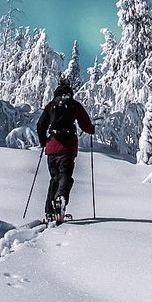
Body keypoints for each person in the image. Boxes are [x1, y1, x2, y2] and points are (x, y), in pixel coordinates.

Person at [37, 77, 95, 223]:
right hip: (68, 147)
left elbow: (40, 125)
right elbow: (85, 124)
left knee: (54, 178)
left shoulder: (51, 105)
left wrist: (44, 141)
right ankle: (60, 199)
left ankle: (50, 211)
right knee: (65, 176)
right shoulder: (74, 105)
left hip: (52, 147)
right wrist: (91, 129)